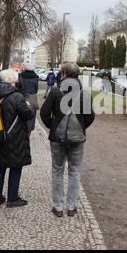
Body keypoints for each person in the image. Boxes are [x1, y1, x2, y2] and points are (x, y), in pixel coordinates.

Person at [41, 63, 95, 218]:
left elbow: (44, 113)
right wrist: (80, 128)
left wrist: (53, 127)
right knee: (75, 171)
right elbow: (90, 117)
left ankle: (58, 207)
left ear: (64, 74)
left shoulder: (56, 92)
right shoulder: (84, 93)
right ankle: (71, 207)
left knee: (57, 170)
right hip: (77, 139)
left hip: (57, 138)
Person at [0, 69, 35, 209]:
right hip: (14, 137)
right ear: (12, 80)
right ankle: (12, 198)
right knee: (15, 167)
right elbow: (27, 115)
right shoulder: (17, 96)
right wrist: (29, 106)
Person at [18, 63, 39, 136]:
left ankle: (21, 131)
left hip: (21, 97)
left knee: (21, 113)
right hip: (32, 98)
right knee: (31, 116)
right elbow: (36, 90)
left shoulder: (20, 75)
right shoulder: (36, 77)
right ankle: (28, 133)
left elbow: (18, 87)